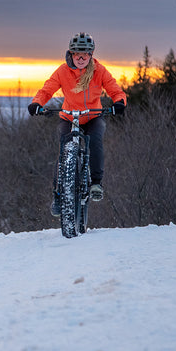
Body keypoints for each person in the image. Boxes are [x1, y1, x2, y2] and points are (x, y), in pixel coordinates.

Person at [28, 32, 127, 216]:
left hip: (93, 116)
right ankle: (58, 195)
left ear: (91, 55)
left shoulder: (99, 71)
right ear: (71, 54)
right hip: (69, 117)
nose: (81, 58)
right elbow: (47, 89)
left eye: (85, 54)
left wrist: (119, 102)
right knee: (64, 150)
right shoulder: (63, 71)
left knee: (95, 141)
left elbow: (115, 89)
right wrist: (37, 103)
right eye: (77, 54)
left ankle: (96, 183)